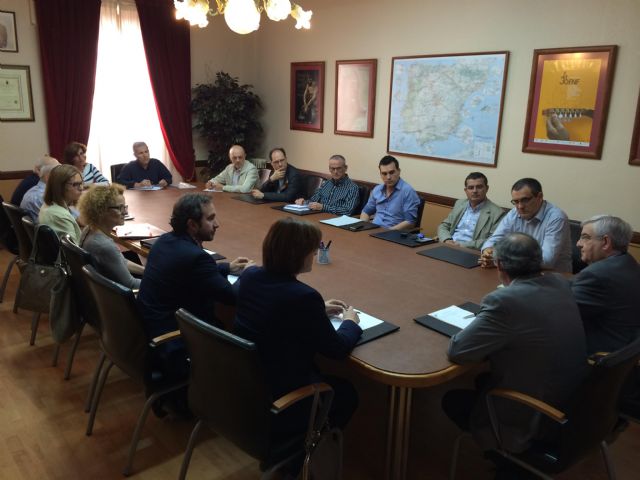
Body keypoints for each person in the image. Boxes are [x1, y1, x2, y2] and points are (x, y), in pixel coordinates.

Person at [443, 233, 586, 458]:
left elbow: (459, 351)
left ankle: (503, 458)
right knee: (482, 377)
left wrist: (489, 313)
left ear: (499, 265)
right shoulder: (559, 282)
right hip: (574, 402)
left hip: (535, 416)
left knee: (452, 399)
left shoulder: (504, 301)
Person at [234, 217, 362, 432]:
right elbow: (337, 349)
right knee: (347, 392)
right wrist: (351, 322)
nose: (314, 254)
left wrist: (317, 311)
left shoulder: (250, 276)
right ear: (297, 254)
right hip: (283, 390)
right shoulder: (303, 297)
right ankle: (305, 448)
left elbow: (275, 312)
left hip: (250, 380)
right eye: (312, 250)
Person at [137, 193, 253, 384]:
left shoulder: (165, 241)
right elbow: (231, 296)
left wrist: (227, 267)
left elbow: (190, 271)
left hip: (152, 328)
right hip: (175, 340)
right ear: (192, 225)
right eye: (210, 219)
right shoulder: (195, 257)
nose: (217, 224)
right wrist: (249, 274)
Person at [572, 215, 640, 354]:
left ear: (605, 242)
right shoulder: (629, 263)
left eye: (585, 237)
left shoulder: (596, 275)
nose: (578, 243)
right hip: (626, 350)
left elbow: (562, 312)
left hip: (597, 355)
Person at [480, 178, 572, 272]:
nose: (520, 207)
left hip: (553, 277)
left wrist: (500, 261)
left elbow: (546, 261)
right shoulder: (514, 213)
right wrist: (488, 253)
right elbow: (493, 240)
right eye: (516, 202)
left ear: (539, 197)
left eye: (525, 200)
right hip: (521, 273)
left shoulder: (556, 218)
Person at [77, 184, 144, 289]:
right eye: (119, 208)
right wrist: (160, 282)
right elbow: (131, 284)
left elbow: (121, 261)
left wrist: (146, 271)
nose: (125, 212)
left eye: (124, 207)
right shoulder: (102, 245)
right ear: (101, 211)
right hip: (119, 301)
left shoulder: (90, 229)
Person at [437, 172, 505, 249]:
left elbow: (493, 240)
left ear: (487, 188)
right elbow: (444, 225)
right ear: (466, 190)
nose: (475, 191)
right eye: (471, 187)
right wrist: (447, 240)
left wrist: (461, 245)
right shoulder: (460, 203)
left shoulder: (497, 213)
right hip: (448, 245)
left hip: (471, 250)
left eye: (479, 187)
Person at [360, 155, 420, 230]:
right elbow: (366, 212)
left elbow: (410, 222)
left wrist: (388, 232)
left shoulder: (408, 191)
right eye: (384, 174)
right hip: (373, 231)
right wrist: (363, 227)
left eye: (391, 172)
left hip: (394, 234)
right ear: (380, 174)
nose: (388, 177)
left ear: (399, 171)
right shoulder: (377, 190)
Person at [294, 154, 360, 215]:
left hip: (336, 221)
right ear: (329, 168)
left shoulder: (352, 188)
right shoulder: (326, 183)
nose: (335, 172)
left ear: (345, 168)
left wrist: (323, 207)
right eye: (332, 168)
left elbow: (348, 211)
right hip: (318, 216)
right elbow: (313, 200)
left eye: (338, 168)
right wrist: (304, 202)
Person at [38, 164, 83, 243]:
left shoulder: (50, 205)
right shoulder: (59, 216)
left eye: (81, 183)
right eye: (75, 184)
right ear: (59, 187)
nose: (81, 188)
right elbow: (75, 252)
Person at [20, 155, 60, 221]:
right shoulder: (43, 196)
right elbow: (60, 220)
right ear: (48, 176)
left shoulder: (34, 190)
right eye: (59, 174)